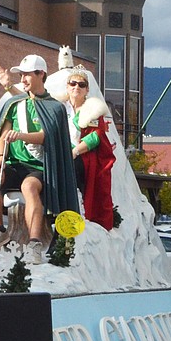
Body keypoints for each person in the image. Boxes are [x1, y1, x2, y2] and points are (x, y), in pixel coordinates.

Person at [0, 53, 80, 264]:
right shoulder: (15, 104)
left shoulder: (55, 107)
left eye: (27, 75)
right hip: (15, 164)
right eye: (21, 75)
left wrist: (22, 135)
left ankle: (35, 242)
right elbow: (3, 134)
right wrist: (0, 155)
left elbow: (47, 136)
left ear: (40, 74)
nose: (23, 79)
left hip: (42, 168)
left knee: (29, 187)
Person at [63, 67, 115, 231]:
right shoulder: (60, 108)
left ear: (87, 89)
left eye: (81, 84)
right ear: (67, 86)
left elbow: (94, 137)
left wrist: (75, 151)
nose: (76, 87)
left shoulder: (92, 109)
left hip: (80, 155)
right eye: (73, 83)